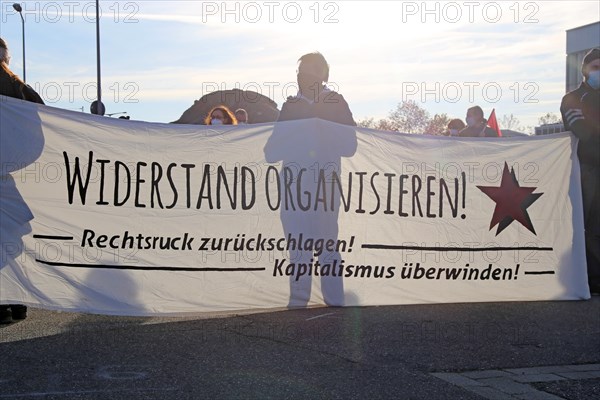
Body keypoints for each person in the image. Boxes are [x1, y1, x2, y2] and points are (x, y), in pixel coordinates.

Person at [0, 37, 44, 324]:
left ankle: (8, 302)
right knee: (9, 238)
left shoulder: (16, 85)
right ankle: (15, 300)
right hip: (7, 173)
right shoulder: (18, 86)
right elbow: (44, 116)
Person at [560, 48, 600, 295]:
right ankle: (591, 277)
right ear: (585, 70)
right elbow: (581, 130)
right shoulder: (573, 98)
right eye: (595, 67)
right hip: (586, 170)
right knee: (587, 224)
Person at [278, 52, 356, 126]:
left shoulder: (337, 102)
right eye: (299, 71)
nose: (301, 75)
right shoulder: (290, 105)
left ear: (321, 74)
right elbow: (279, 136)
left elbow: (348, 135)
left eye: (307, 72)